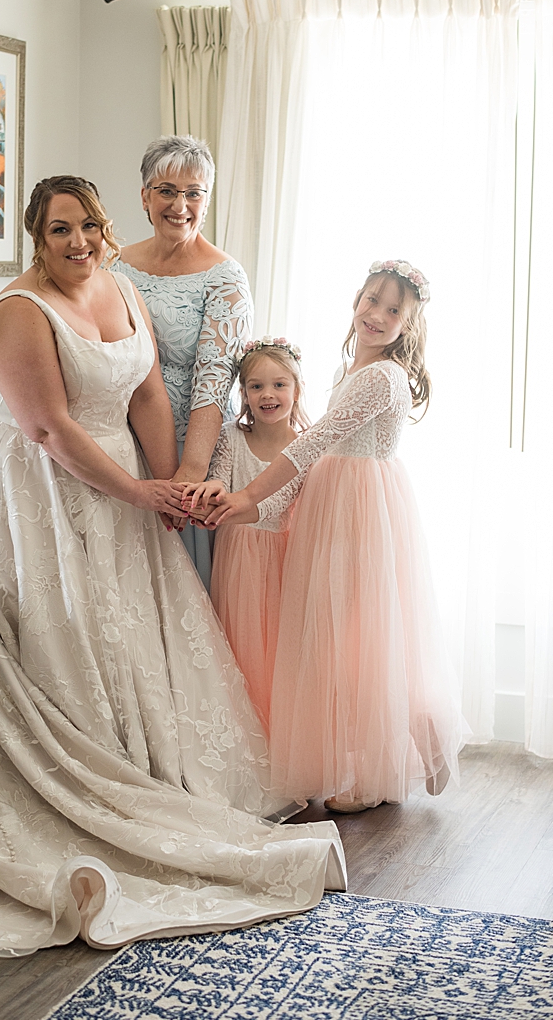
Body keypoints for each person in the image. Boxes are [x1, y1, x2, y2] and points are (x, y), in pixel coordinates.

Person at [0, 176, 344, 956]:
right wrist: (138, 488)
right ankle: (71, 769)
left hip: (124, 477)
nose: (78, 242)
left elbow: (147, 389)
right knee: (65, 632)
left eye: (87, 226)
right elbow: (46, 428)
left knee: (136, 627)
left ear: (105, 228)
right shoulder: (18, 310)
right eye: (58, 231)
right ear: (35, 238)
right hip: (40, 487)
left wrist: (169, 482)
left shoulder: (118, 286)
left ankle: (150, 762)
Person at [205, 261, 462, 812]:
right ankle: (404, 740)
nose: (377, 314)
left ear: (407, 326)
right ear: (356, 300)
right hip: (345, 504)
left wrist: (248, 498)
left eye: (394, 311)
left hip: (356, 512)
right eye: (373, 300)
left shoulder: (378, 378)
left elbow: (312, 442)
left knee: (358, 636)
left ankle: (385, 764)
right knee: (354, 634)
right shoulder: (356, 370)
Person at [112, 135, 252, 587]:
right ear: (145, 196)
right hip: (124, 443)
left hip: (194, 445)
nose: (180, 205)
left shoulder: (225, 276)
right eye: (167, 190)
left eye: (194, 193)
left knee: (184, 580)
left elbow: (214, 377)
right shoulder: (116, 267)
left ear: (207, 201)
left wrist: (188, 473)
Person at [185, 337, 309, 731]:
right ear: (243, 393)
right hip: (238, 557)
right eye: (256, 386)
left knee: (281, 651)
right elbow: (220, 475)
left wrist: (242, 509)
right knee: (240, 649)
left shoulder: (306, 447)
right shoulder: (231, 437)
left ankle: (286, 744)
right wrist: (215, 490)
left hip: (285, 556)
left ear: (296, 388)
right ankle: (249, 740)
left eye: (279, 384)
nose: (268, 394)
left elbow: (285, 501)